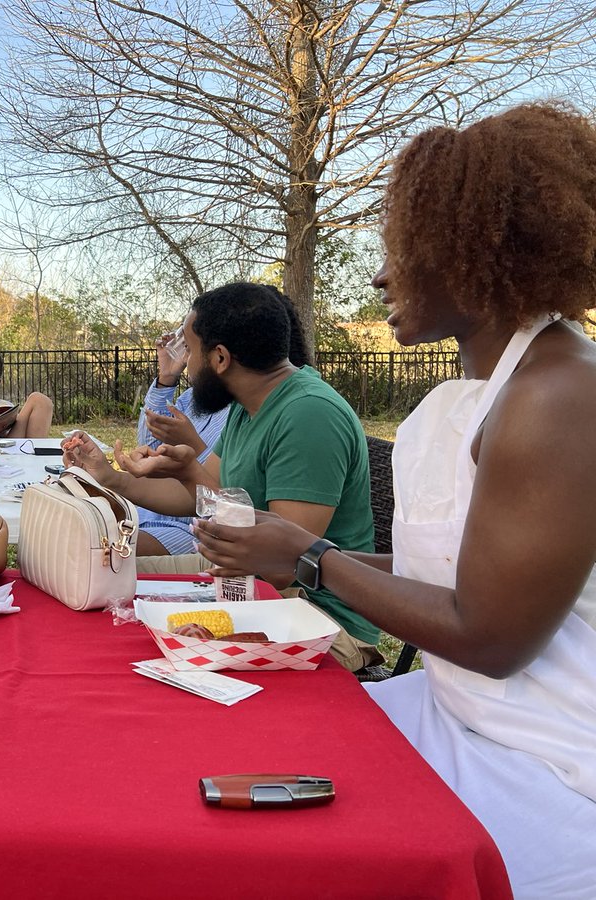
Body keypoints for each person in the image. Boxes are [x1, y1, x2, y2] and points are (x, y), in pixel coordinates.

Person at [191, 103, 596, 895]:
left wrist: (309, 557)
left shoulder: (559, 395)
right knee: (225, 753)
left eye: (402, 251)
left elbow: (489, 635)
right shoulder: (486, 388)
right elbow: (449, 571)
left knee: (277, 858)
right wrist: (302, 554)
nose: (382, 275)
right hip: (448, 712)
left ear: (475, 248)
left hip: (544, 760)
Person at [63, 282, 380, 672]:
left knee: (121, 647)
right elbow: (202, 498)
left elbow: (282, 566)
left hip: (313, 617)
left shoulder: (308, 415)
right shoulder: (250, 406)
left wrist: (191, 481)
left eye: (192, 352)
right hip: (246, 584)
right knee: (91, 582)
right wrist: (112, 478)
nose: (188, 367)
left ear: (220, 358)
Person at [133, 327, 229, 556]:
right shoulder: (192, 397)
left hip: (188, 528)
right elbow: (150, 446)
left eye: (190, 348)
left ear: (219, 356)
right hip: (145, 510)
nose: (186, 358)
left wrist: (193, 445)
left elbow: (225, 493)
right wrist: (167, 377)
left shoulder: (244, 410)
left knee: (91, 548)